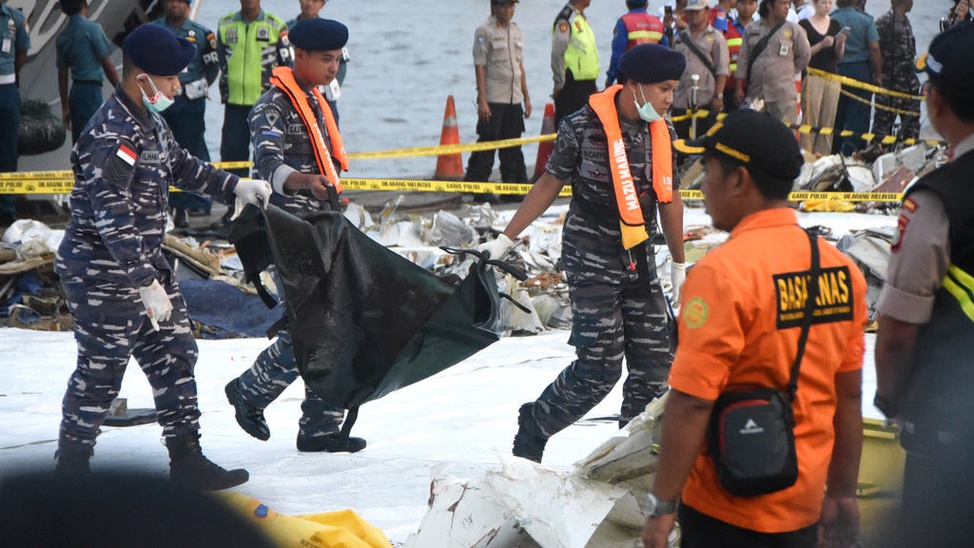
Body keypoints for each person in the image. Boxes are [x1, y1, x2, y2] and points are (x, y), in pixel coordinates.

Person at [53, 23, 272, 491]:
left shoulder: (149, 122)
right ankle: (69, 477)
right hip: (103, 274)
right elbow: (111, 215)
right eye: (171, 79)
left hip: (145, 269)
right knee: (101, 372)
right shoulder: (111, 134)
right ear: (142, 79)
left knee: (176, 353)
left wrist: (236, 186)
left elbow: (184, 167)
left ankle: (187, 460)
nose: (178, 86)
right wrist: (142, 282)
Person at [640, 109, 867, 548]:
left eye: (708, 171)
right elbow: (849, 394)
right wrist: (841, 492)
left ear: (739, 180)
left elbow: (690, 403)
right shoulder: (842, 271)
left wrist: (662, 508)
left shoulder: (721, 275)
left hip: (727, 507)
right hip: (805, 504)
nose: (701, 186)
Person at [480, 44, 688, 463]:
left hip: (639, 259)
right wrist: (506, 238)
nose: (670, 99)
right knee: (600, 367)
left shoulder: (664, 131)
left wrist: (680, 264)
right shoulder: (581, 126)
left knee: (655, 366)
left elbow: (671, 198)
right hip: (590, 257)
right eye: (664, 89)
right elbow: (548, 184)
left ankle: (633, 458)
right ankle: (536, 424)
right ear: (634, 86)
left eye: (674, 89)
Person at [225, 18, 366, 454]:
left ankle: (320, 426)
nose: (334, 66)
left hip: (324, 229)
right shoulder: (272, 106)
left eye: (338, 59)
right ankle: (250, 390)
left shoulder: (315, 102)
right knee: (309, 328)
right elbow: (267, 166)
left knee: (336, 323)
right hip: (289, 233)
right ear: (298, 56)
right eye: (326, 59)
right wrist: (305, 181)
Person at [873, 21, 974, 548]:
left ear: (935, 103)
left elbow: (894, 334)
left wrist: (894, 402)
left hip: (950, 435)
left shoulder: (937, 199)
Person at [152, 0, 221, 229]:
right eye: (170, 1)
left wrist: (198, 88)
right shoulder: (154, 31)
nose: (175, 6)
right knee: (158, 150)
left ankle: (189, 203)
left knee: (190, 149)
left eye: (180, 2)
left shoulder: (202, 35)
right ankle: (161, 201)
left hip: (190, 102)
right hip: (161, 100)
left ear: (188, 5)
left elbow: (211, 67)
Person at [217, 0, 291, 183]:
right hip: (234, 103)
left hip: (266, 105)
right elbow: (220, 60)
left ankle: (267, 203)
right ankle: (234, 204)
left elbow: (288, 65)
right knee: (232, 155)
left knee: (266, 153)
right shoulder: (225, 25)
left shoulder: (276, 25)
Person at [462, 0, 532, 190]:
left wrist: (526, 95)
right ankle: (479, 184)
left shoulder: (515, 30)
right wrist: (482, 99)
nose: (508, 11)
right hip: (494, 97)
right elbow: (480, 66)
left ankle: (511, 186)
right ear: (494, 7)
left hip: (513, 97)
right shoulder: (485, 31)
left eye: (512, 6)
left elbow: (519, 66)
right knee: (488, 142)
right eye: (504, 6)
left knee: (512, 145)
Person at [735, 0, 811, 126]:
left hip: (782, 96)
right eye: (782, 4)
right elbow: (743, 60)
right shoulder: (752, 28)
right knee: (755, 134)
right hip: (756, 94)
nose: (786, 7)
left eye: (788, 4)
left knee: (784, 137)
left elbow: (804, 55)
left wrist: (788, 70)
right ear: (770, 6)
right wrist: (738, 88)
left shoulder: (793, 30)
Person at [56, 0, 120, 145]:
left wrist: (65, 107)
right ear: (85, 4)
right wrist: (121, 89)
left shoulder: (63, 37)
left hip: (75, 93)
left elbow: (62, 75)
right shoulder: (93, 29)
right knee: (96, 139)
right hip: (91, 91)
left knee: (80, 141)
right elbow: (108, 65)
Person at [671, 0, 730, 140]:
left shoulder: (716, 38)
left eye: (697, 11)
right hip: (681, 99)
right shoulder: (679, 38)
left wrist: (718, 96)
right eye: (690, 12)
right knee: (678, 142)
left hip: (705, 99)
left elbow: (722, 69)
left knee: (704, 142)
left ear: (707, 12)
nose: (693, 15)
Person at [286, 0, 350, 124]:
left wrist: (329, 83)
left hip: (324, 95)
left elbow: (342, 64)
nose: (309, 3)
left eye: (315, 0)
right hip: (292, 92)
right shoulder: (285, 30)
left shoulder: (331, 32)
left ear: (322, 4)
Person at [830, 0, 881, 155]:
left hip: (836, 71)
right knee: (857, 117)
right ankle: (851, 154)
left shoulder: (832, 19)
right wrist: (878, 75)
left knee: (836, 116)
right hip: (860, 72)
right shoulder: (866, 20)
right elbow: (874, 48)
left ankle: (833, 153)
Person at [799, 0, 846, 156]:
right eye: (823, 2)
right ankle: (806, 155)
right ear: (815, 3)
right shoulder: (804, 24)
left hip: (832, 76)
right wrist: (821, 44)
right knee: (810, 118)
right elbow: (803, 55)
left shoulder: (835, 24)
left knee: (828, 120)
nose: (827, 6)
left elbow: (838, 56)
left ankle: (823, 156)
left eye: (830, 3)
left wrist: (839, 45)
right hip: (813, 76)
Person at [871, 0, 920, 142]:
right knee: (882, 132)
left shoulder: (906, 21)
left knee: (911, 132)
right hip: (890, 87)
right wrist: (878, 77)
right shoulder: (884, 22)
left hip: (909, 87)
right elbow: (875, 52)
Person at [0, 0, 29, 228]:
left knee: (8, 151)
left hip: (7, 89)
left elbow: (21, 53)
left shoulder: (16, 19)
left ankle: (6, 210)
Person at [551, 0, 599, 125]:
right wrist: (559, 82)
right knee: (570, 127)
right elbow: (557, 52)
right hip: (571, 84)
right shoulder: (566, 19)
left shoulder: (581, 18)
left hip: (587, 85)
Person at [606, 1, 667, 87]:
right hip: (653, 78)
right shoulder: (658, 23)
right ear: (646, 4)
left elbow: (617, 56)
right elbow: (665, 54)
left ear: (627, 3)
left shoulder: (624, 22)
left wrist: (610, 80)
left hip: (629, 79)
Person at [723, 0, 758, 110]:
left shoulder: (761, 30)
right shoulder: (725, 29)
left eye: (751, 3)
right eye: (743, 3)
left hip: (755, 86)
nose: (747, 7)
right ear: (736, 5)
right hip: (729, 86)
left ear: (756, 6)